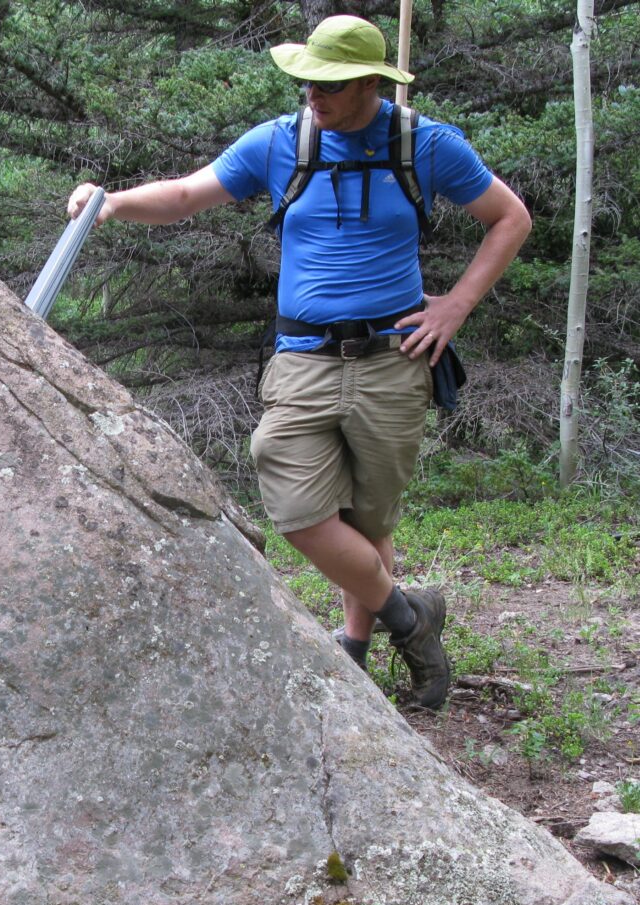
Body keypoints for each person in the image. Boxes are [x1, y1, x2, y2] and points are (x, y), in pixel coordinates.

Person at [67, 15, 532, 709]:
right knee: (295, 502)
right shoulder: (283, 141)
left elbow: (511, 217)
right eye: (307, 80)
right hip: (303, 357)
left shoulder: (425, 145)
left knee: (370, 520)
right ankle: (410, 618)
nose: (314, 93)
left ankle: (354, 649)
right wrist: (111, 204)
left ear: (372, 82)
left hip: (392, 357)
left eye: (331, 84)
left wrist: (455, 306)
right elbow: (191, 194)